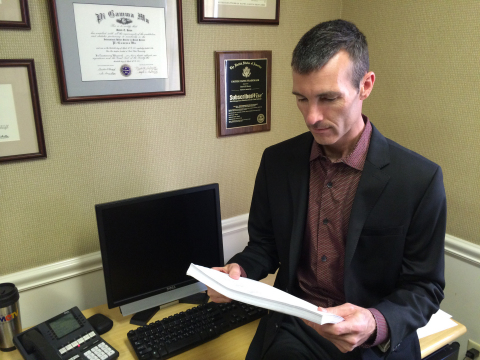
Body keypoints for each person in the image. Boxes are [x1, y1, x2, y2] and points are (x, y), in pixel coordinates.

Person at [207, 19, 446, 360]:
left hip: (371, 340)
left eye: (328, 98)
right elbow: (265, 245)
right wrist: (239, 271)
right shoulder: (278, 162)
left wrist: (374, 322)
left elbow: (425, 287)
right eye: (301, 99)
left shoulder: (418, 180)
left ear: (366, 85)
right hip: (295, 325)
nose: (311, 117)